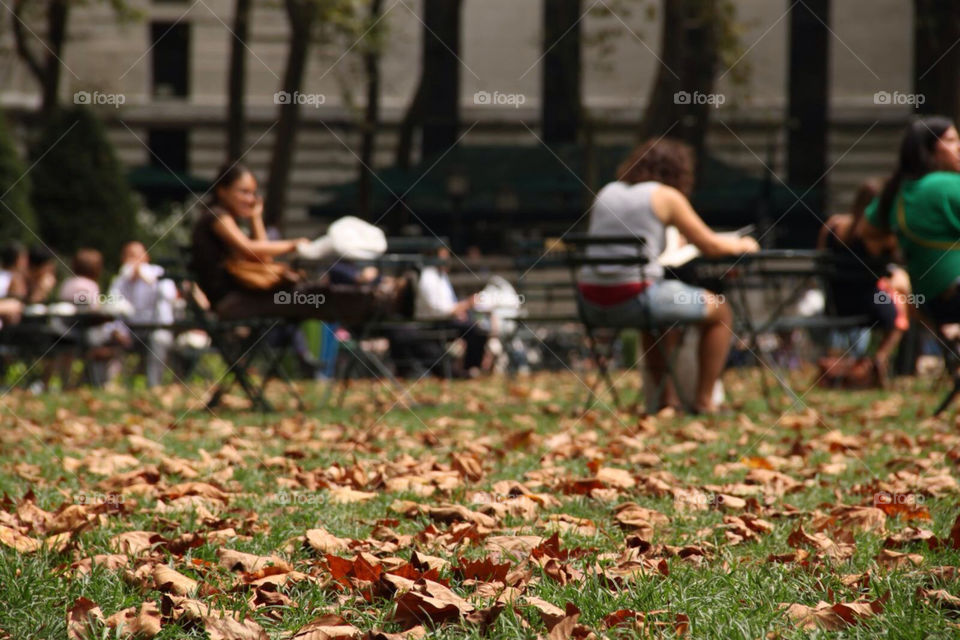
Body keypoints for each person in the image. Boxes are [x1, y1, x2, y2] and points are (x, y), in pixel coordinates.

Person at [577, 138, 759, 413]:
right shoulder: (665, 196)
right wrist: (743, 245)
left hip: (591, 302)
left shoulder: (607, 192)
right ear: (679, 171)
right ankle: (705, 400)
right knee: (721, 311)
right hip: (635, 300)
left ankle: (665, 402)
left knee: (658, 319)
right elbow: (710, 245)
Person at [190, 164, 404, 324]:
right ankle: (382, 301)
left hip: (248, 298)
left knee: (313, 293)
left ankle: (382, 299)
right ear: (222, 190)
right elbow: (248, 248)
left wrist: (256, 218)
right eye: (244, 192)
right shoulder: (216, 216)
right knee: (315, 296)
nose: (251, 199)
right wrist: (294, 244)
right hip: (234, 302)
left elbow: (263, 259)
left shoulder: (226, 218)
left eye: (253, 193)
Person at [862, 117, 960, 327]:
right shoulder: (943, 185)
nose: (959, 147)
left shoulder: (896, 191)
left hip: (930, 301)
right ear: (928, 149)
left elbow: (867, 231)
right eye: (951, 140)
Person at [817, 179, 911, 386]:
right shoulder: (878, 235)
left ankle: (856, 366)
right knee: (902, 297)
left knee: (897, 289)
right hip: (869, 304)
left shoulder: (832, 225)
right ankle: (880, 358)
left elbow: (820, 264)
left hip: (835, 303)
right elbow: (894, 263)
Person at [108, 241, 178, 387]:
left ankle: (154, 386)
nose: (133, 260)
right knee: (108, 340)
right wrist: (117, 330)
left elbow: (169, 297)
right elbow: (112, 307)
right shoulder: (119, 281)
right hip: (130, 330)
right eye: (128, 256)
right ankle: (112, 386)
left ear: (146, 257)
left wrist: (146, 278)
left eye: (136, 256)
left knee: (160, 339)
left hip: (157, 328)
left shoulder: (158, 273)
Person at [413, 247, 489, 376]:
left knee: (478, 329)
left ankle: (471, 369)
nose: (447, 260)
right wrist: (467, 304)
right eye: (443, 257)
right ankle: (469, 370)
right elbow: (440, 309)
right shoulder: (428, 277)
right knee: (475, 331)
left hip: (445, 319)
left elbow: (449, 304)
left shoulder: (441, 276)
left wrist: (460, 311)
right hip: (432, 323)